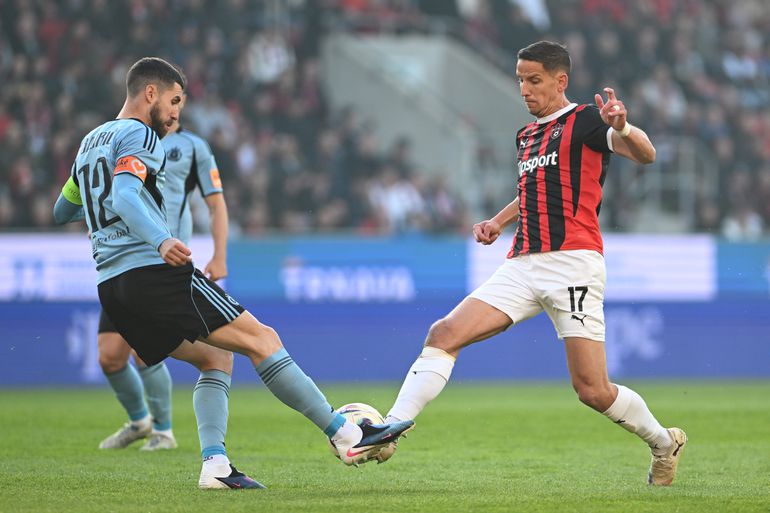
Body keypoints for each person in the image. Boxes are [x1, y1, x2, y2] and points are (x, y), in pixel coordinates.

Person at [53, 56, 413, 489]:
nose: (175, 113)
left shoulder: (90, 142)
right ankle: (347, 435)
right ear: (150, 93)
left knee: (216, 358)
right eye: (174, 101)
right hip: (153, 272)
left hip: (112, 286)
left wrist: (104, 214)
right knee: (264, 340)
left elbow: (62, 210)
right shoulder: (140, 133)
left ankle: (216, 466)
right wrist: (162, 240)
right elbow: (127, 196)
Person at [382, 41, 687, 486]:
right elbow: (532, 188)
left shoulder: (587, 120)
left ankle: (663, 442)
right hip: (522, 263)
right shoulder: (526, 135)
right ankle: (390, 428)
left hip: (573, 265)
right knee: (443, 333)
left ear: (560, 81)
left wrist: (623, 126)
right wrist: (497, 221)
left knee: (592, 390)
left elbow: (646, 154)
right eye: (520, 79)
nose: (524, 89)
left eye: (534, 80)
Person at [96, 97, 229, 452]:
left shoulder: (194, 147)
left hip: (163, 260)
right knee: (109, 356)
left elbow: (216, 204)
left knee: (145, 351)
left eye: (178, 101)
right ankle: (140, 421)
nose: (173, 109)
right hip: (125, 260)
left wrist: (219, 255)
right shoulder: (127, 137)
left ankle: (163, 431)